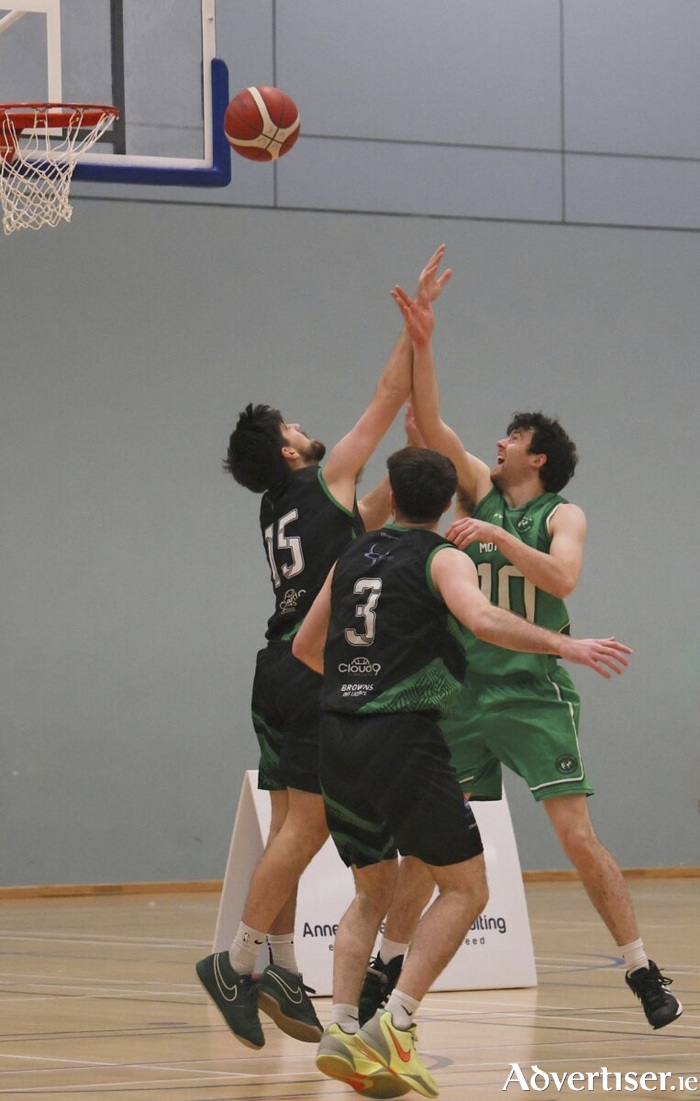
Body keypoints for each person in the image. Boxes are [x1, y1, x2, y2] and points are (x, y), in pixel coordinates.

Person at [292, 334, 632, 1095]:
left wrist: (421, 335)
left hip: (335, 730)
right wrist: (563, 647)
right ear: (449, 500)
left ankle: (342, 1029)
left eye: (511, 439)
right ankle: (396, 1022)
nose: (496, 445)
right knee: (466, 889)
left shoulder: (354, 553)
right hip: (402, 733)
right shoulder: (445, 555)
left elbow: (307, 648)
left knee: (372, 894)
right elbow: (483, 621)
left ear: (389, 488)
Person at [358, 252, 683, 1034]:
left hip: (534, 691)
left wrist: (502, 547)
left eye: (512, 437)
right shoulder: (475, 487)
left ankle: (640, 965)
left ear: (537, 457)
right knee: (429, 849)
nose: (498, 442)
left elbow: (563, 582)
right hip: (464, 695)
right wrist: (423, 340)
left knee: (576, 835)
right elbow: (432, 424)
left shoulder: (560, 515)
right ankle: (385, 969)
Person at [195, 247, 453, 1051]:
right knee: (307, 830)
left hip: (273, 665)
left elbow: (373, 515)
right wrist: (416, 332)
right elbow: (386, 396)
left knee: (287, 830)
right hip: (309, 671)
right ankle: (234, 961)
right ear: (288, 450)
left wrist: (417, 465)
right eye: (294, 426)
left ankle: (277, 960)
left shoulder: (281, 506)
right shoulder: (323, 475)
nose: (307, 426)